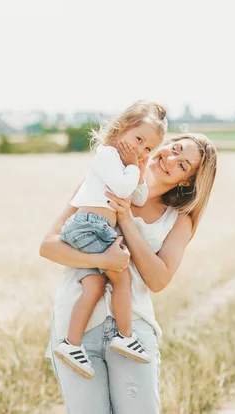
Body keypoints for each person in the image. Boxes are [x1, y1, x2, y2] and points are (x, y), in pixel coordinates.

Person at [40, 132, 218, 413]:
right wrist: (104, 258)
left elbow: (159, 279)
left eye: (183, 165)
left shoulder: (178, 219)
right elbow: (48, 246)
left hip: (132, 330)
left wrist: (125, 218)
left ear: (186, 181)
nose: (170, 158)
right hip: (77, 330)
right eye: (175, 148)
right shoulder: (101, 183)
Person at [54, 100, 167, 379]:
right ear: (121, 128)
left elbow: (136, 196)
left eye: (148, 149)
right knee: (121, 277)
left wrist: (139, 171)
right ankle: (125, 336)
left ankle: (71, 344)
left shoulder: (126, 164)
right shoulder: (106, 155)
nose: (141, 150)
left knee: (95, 285)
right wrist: (131, 166)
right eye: (138, 139)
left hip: (95, 227)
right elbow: (121, 187)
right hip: (90, 225)